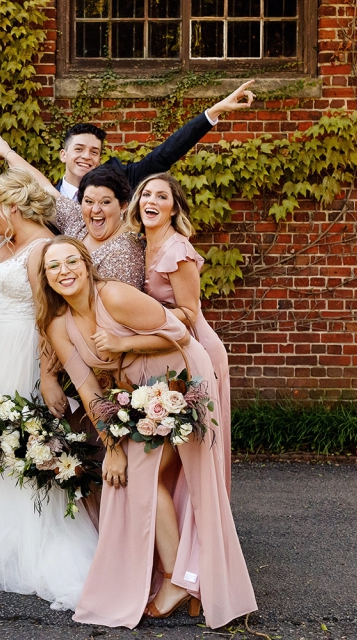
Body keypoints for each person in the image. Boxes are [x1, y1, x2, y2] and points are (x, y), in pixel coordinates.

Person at [35, 236, 256, 629]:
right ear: (46, 278)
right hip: (137, 395)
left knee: (158, 477)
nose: (64, 271)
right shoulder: (58, 325)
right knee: (131, 475)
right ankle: (176, 576)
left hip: (181, 378)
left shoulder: (114, 296)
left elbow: (181, 333)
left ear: (86, 264)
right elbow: (89, 391)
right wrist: (112, 448)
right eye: (54, 266)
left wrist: (123, 342)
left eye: (71, 261)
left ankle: (179, 580)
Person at [0, 168, 97, 610]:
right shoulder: (3, 244)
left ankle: (27, 545)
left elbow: (46, 315)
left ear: (13, 207)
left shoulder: (41, 250)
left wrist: (47, 375)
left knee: (17, 442)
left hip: (17, 352)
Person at [126, 172, 233, 494]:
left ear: (173, 209)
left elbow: (189, 312)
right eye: (147, 194)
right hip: (165, 346)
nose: (152, 201)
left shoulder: (177, 250)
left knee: (186, 450)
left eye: (162, 196)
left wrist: (142, 318)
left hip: (194, 348)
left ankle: (198, 520)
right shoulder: (140, 244)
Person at [55, 80, 257, 201]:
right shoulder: (47, 197)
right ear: (63, 155)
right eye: (79, 149)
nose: (86, 156)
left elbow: (164, 154)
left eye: (94, 152)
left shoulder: (120, 177)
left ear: (99, 159)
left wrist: (215, 111)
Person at [0, 132, 143, 289]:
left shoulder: (127, 252)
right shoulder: (79, 221)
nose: (95, 209)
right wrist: (7, 153)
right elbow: (45, 187)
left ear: (123, 206)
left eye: (105, 202)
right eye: (89, 201)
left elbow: (117, 302)